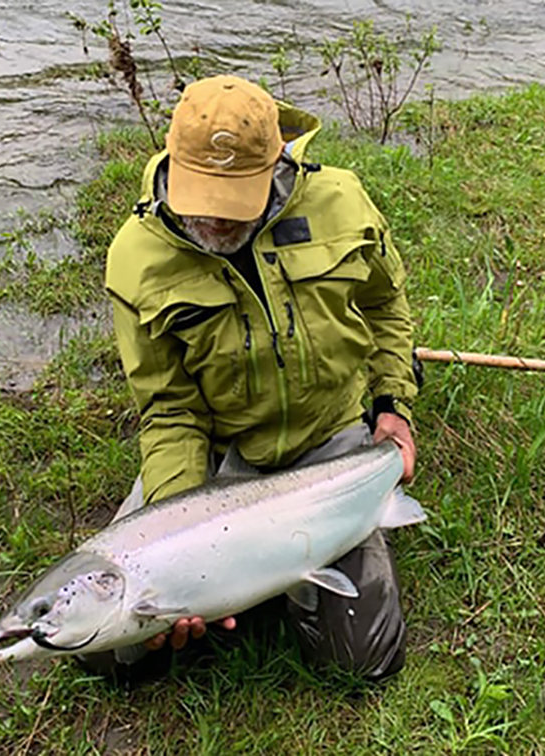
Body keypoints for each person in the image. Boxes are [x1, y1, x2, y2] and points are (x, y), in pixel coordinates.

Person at [99, 74, 419, 680]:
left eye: (234, 198)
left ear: (278, 164)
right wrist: (182, 543)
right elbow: (170, 412)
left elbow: (385, 307)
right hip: (223, 457)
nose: (216, 221)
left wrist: (392, 404)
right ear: (171, 158)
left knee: (363, 664)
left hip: (328, 445)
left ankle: (286, 566)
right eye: (202, 196)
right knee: (102, 651)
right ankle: (245, 571)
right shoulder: (136, 256)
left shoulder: (342, 201)